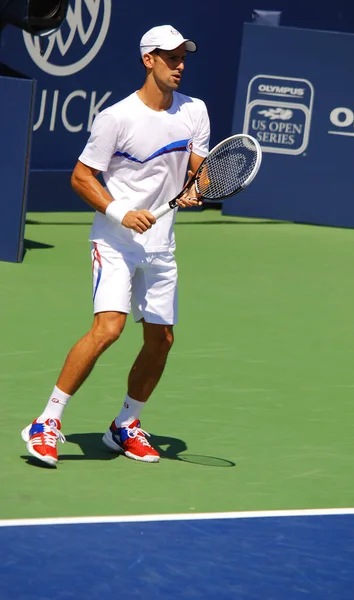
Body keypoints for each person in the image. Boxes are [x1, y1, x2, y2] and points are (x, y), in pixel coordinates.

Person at [21, 25, 210, 467]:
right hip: (116, 241)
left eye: (183, 57)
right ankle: (46, 422)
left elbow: (200, 169)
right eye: (171, 58)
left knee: (161, 340)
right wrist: (120, 212)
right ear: (149, 60)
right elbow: (81, 177)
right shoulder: (116, 118)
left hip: (161, 245)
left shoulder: (194, 111)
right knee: (109, 328)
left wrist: (198, 186)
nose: (179, 65)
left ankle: (126, 425)